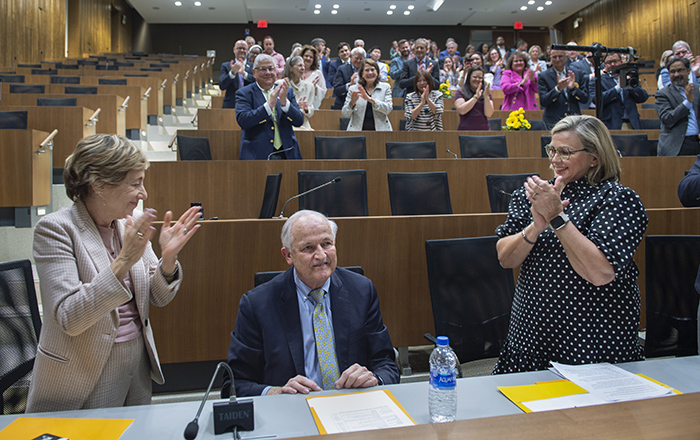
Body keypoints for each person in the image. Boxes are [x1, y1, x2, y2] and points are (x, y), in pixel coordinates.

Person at [26, 134, 201, 413]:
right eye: (135, 184)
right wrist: (123, 261)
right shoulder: (56, 229)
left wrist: (168, 259)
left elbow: (158, 297)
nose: (143, 194)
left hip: (137, 362)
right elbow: (70, 317)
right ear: (98, 185)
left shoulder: (125, 225)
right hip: (85, 369)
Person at [493, 115, 648, 374]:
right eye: (552, 150)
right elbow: (505, 259)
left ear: (595, 157)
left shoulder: (618, 199)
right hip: (531, 337)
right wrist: (536, 225)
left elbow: (599, 273)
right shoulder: (533, 194)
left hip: (593, 341)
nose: (555, 160)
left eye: (565, 152)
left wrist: (557, 218)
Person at [224, 210, 400, 397]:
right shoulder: (257, 304)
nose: (321, 255)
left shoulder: (362, 291)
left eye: (327, 244)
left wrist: (373, 379)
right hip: (292, 410)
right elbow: (234, 384)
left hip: (352, 405)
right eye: (308, 248)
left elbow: (387, 365)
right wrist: (277, 392)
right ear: (288, 255)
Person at [235, 54, 304, 160]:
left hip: (287, 153)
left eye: (271, 69)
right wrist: (268, 106)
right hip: (257, 155)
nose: (268, 73)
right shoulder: (244, 93)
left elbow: (299, 121)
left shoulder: (286, 91)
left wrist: (285, 104)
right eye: (263, 69)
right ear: (254, 72)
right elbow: (243, 121)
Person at [655, 57, 700, 156]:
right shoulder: (663, 94)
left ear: (688, 71)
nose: (676, 75)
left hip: (697, 142)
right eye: (672, 72)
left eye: (680, 70)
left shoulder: (697, 90)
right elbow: (667, 119)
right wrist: (687, 102)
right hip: (677, 146)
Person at [592, 52, 648, 130]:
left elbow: (643, 97)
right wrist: (618, 88)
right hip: (611, 123)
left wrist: (629, 85)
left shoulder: (630, 77)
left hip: (631, 122)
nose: (612, 64)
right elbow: (596, 100)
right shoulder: (599, 80)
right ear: (604, 65)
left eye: (615, 61)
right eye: (609, 62)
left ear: (621, 62)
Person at [538, 49, 589, 129]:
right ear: (550, 58)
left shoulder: (577, 73)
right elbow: (543, 101)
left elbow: (585, 98)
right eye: (554, 57)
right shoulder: (544, 76)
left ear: (566, 57)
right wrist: (557, 89)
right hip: (553, 122)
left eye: (560, 56)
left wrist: (573, 88)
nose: (557, 59)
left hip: (574, 122)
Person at [342, 59, 393, 131]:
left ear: (377, 72)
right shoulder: (353, 89)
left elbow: (388, 109)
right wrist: (352, 103)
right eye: (367, 70)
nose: (370, 72)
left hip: (381, 132)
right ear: (362, 73)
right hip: (357, 132)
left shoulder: (385, 87)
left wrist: (370, 100)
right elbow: (345, 113)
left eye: (372, 69)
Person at [280, 56, 315, 131]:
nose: (303, 68)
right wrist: (295, 106)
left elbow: (311, 111)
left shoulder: (310, 86)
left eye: (303, 66)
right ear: (291, 68)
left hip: (303, 123)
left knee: (310, 131)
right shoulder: (281, 84)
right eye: (299, 65)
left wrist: (306, 109)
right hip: (285, 123)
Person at [454, 66, 493, 131]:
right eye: (474, 77)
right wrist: (475, 97)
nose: (477, 79)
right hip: (465, 132)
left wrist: (486, 97)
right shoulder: (460, 92)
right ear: (469, 77)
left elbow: (489, 114)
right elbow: (462, 110)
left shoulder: (486, 94)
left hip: (484, 131)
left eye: (480, 77)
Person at [220, 40, 253, 109]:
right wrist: (232, 73)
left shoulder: (253, 66)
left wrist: (244, 74)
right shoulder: (226, 66)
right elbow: (222, 86)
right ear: (234, 49)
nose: (241, 50)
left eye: (244, 49)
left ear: (248, 51)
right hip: (231, 105)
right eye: (239, 48)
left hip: (249, 104)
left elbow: (257, 82)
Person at [299, 45, 327, 110]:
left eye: (311, 57)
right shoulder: (296, 72)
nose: (308, 58)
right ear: (301, 57)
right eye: (306, 56)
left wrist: (314, 87)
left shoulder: (318, 73)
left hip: (312, 109)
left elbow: (323, 92)